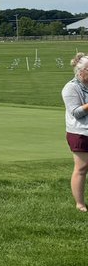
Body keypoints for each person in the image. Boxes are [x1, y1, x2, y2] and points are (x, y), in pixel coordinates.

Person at [62, 53, 88, 212]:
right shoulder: (71, 87)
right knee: (82, 167)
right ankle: (80, 204)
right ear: (81, 71)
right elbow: (76, 112)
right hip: (79, 132)